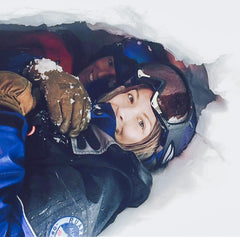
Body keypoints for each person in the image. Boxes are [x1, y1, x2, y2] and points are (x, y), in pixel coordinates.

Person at [0, 23, 216, 236]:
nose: (125, 112)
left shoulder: (97, 186)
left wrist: (8, 118)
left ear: (150, 149)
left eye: (141, 123)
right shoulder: (80, 125)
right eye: (131, 98)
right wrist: (38, 73)